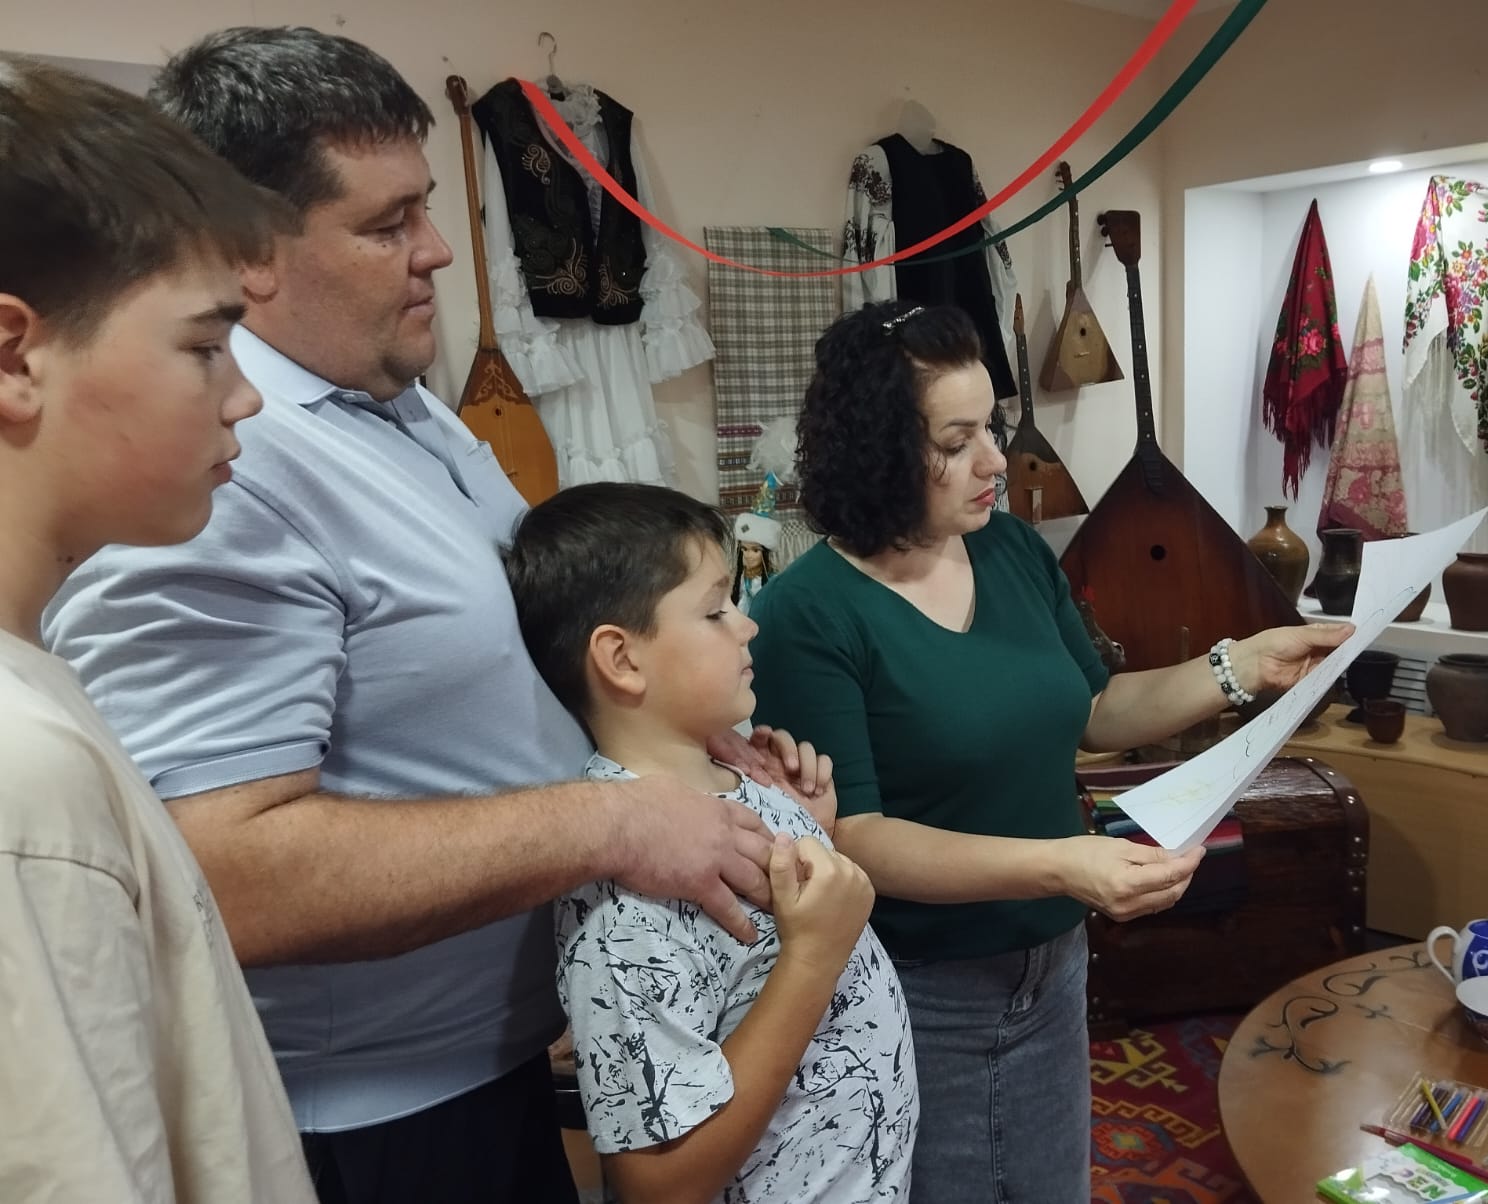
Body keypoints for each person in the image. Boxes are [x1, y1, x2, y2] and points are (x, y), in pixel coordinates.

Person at [43, 27, 822, 1204]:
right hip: (367, 1123)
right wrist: (612, 824)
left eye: (426, 208)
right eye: (386, 223)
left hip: (486, 1071)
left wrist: (683, 749)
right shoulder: (225, 470)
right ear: (248, 248)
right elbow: (219, 869)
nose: (439, 250)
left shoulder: (394, 401)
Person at [748, 301, 1353, 1204]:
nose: (996, 460)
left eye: (989, 427)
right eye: (956, 442)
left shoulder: (1008, 551)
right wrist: (1062, 865)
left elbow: (1095, 709)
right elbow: (857, 837)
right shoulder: (807, 615)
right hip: (924, 988)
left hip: (1054, 963)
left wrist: (1242, 666)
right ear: (877, 451)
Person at [0, 55, 313, 1200]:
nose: (245, 395)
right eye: (203, 345)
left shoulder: (37, 687)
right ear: (14, 356)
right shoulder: (21, 772)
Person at [505, 483, 917, 1202]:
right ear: (621, 658)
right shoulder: (626, 899)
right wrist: (813, 958)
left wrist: (810, 832)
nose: (747, 626)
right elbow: (659, 1186)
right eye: (715, 609)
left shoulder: (739, 776)